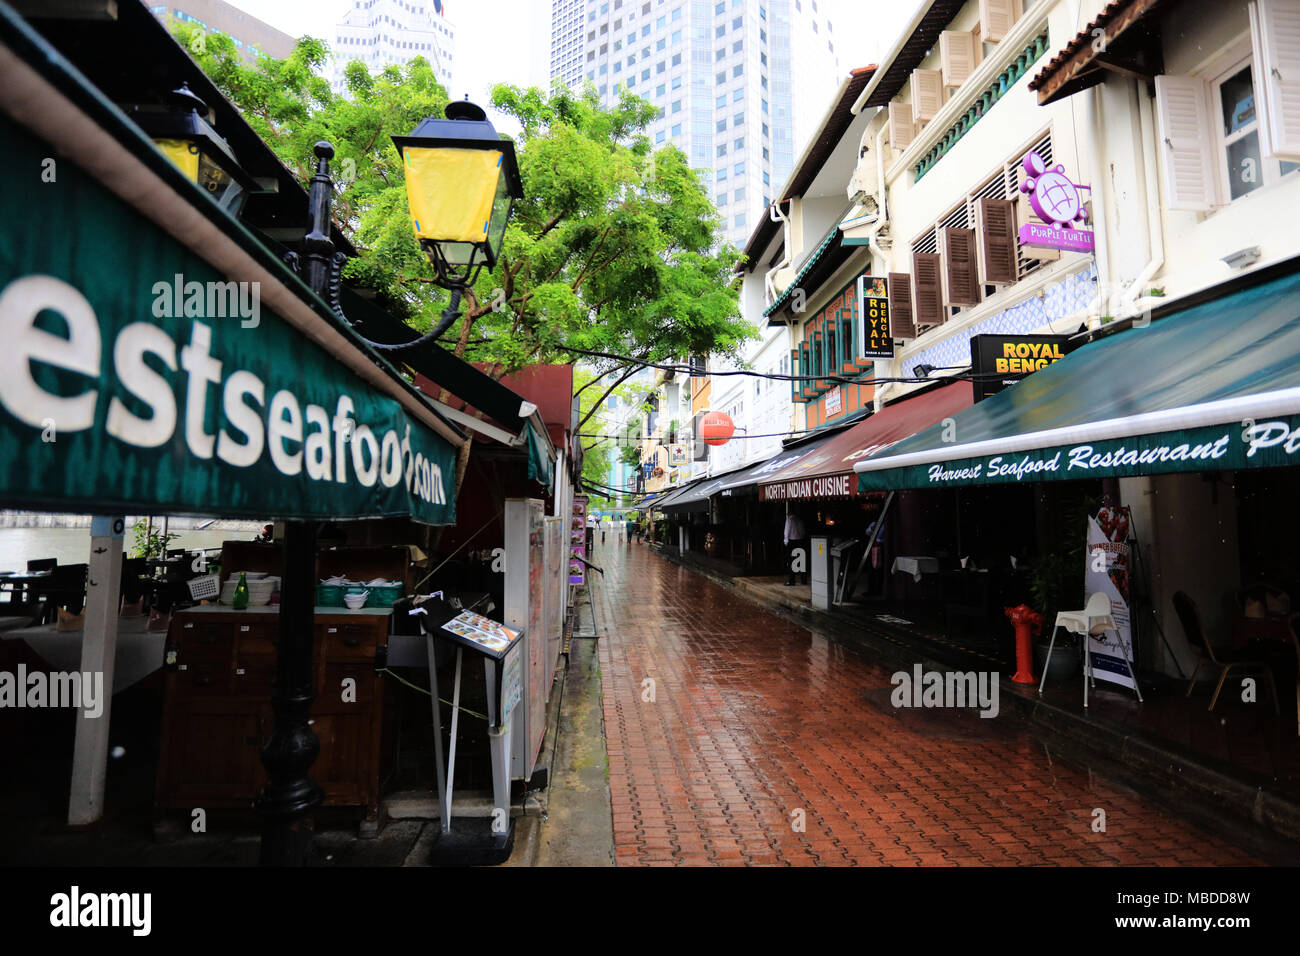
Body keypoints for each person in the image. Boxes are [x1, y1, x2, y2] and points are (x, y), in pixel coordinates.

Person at [784, 509, 808, 586]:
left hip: (792, 541)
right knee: (802, 561)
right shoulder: (799, 520)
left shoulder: (789, 520)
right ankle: (803, 580)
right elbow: (803, 531)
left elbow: (787, 530)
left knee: (792, 562)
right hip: (800, 541)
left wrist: (786, 541)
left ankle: (792, 580)